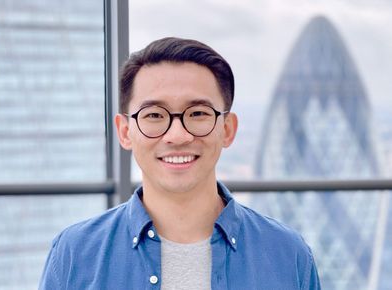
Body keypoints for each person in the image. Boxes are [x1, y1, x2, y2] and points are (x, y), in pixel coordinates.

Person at [39, 37, 321, 290]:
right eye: (154, 115)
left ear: (228, 129)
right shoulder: (75, 254)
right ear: (125, 131)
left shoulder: (288, 254)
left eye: (197, 113)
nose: (177, 135)